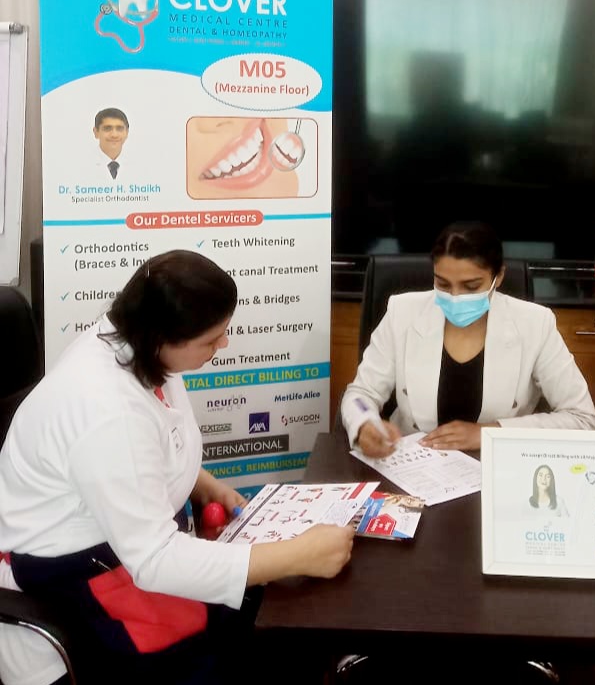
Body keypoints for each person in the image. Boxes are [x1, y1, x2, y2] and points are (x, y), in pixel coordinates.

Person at [0, 250, 354, 685]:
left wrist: (203, 484)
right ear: (161, 338)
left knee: (257, 609)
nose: (223, 346)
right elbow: (154, 560)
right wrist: (296, 555)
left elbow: (143, 448)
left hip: (121, 547)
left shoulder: (132, 345)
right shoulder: (106, 409)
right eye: (211, 340)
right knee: (239, 650)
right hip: (72, 576)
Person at [341, 220, 595, 458]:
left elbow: (582, 418)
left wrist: (490, 433)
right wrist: (365, 424)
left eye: (471, 286)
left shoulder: (535, 324)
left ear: (498, 277)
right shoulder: (402, 312)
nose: (455, 297)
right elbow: (361, 395)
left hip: (497, 467)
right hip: (412, 466)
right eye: (443, 284)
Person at [93, 106, 129, 180]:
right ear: (96, 132)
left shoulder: (141, 166)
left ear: (126, 132)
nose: (114, 135)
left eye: (119, 129)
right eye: (107, 129)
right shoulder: (80, 165)